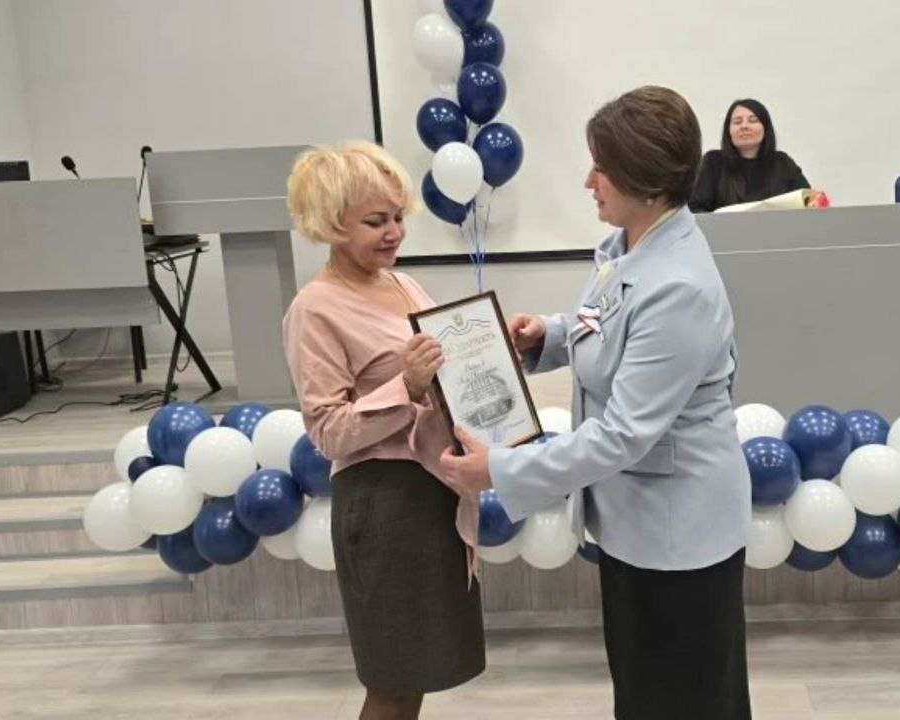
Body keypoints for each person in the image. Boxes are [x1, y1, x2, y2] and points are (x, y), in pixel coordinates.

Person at [437, 86, 753, 719]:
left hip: (676, 535)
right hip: (635, 522)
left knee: (682, 701)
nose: (588, 181)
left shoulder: (678, 287)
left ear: (646, 180)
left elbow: (620, 436)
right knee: (643, 694)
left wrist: (499, 469)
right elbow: (599, 319)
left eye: (602, 168)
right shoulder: (628, 245)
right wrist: (549, 335)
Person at [282, 141, 484, 720]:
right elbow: (327, 431)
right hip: (384, 507)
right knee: (393, 681)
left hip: (430, 496)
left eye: (398, 216)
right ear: (330, 223)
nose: (395, 232)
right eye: (376, 221)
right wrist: (407, 386)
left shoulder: (403, 284)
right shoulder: (315, 309)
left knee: (415, 674)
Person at [689, 98, 810, 212]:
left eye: (753, 120)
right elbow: (696, 209)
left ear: (765, 128)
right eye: (737, 122)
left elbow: (808, 202)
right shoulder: (713, 161)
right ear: (728, 130)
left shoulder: (783, 163)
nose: (744, 126)